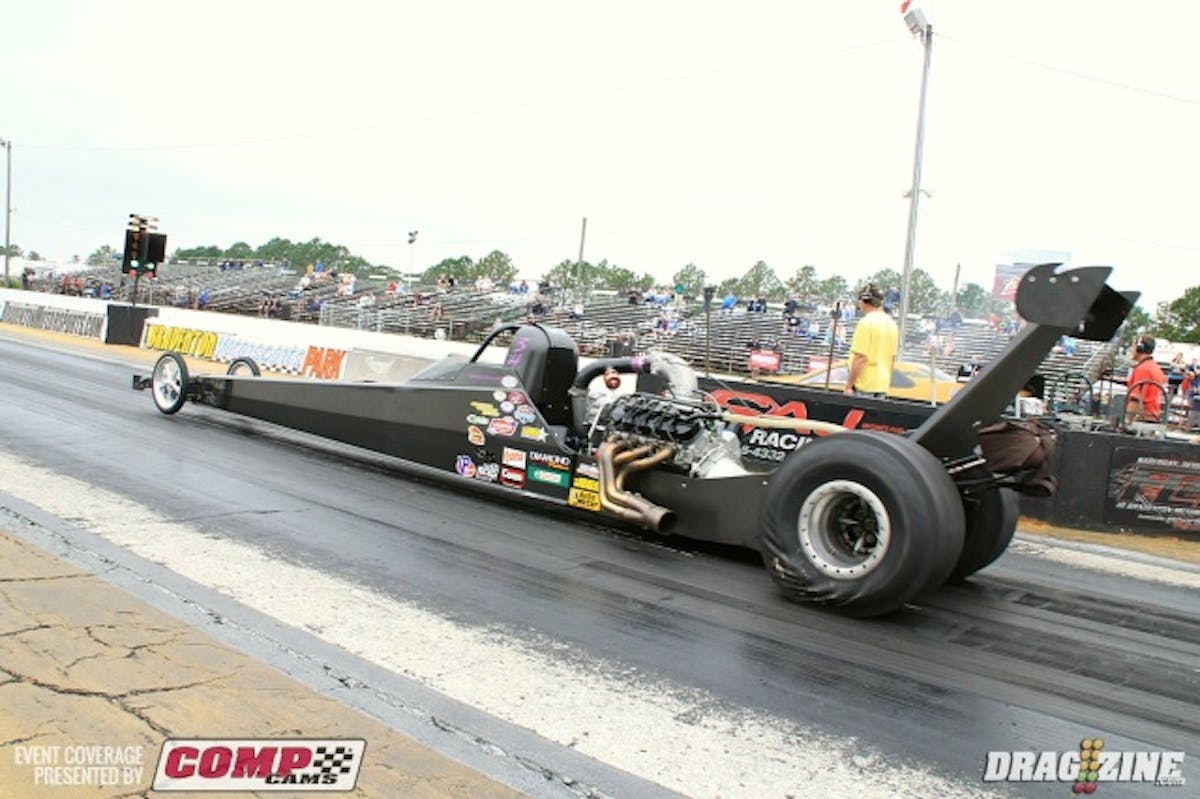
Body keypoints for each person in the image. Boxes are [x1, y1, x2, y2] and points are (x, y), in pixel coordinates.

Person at [844, 283, 898, 399]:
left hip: (864, 385)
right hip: (882, 385)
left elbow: (860, 358)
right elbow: (892, 358)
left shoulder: (866, 323)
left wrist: (849, 385)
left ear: (863, 301)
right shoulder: (892, 324)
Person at [1125, 335, 1168, 424]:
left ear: (1140, 348)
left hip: (1142, 418)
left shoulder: (1142, 369)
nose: (1131, 349)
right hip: (1153, 417)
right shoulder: (1156, 368)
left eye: (1133, 346)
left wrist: (1127, 422)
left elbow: (1135, 399)